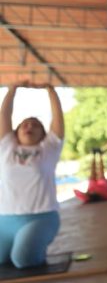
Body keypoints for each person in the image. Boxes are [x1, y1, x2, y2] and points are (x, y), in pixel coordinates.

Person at [0, 81, 64, 268]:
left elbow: (57, 119)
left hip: (40, 218)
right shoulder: (6, 148)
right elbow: (4, 115)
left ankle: (35, 246)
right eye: (24, 125)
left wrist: (50, 90)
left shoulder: (48, 149)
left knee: (23, 260)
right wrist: (13, 89)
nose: (29, 126)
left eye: (35, 125)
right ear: (15, 133)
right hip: (4, 220)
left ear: (43, 134)